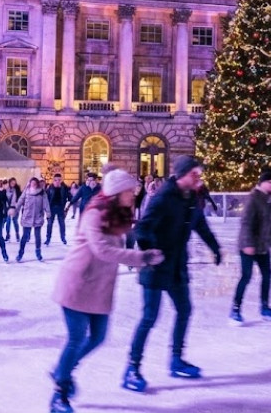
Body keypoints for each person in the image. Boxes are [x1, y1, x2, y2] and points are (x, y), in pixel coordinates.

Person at [49, 170, 163, 413]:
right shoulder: (94, 214)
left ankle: (62, 369)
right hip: (77, 283)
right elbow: (102, 250)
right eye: (129, 190)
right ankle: (59, 393)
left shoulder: (118, 215)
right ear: (116, 192)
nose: (134, 194)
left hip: (99, 287)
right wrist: (141, 258)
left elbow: (128, 238)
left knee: (98, 337)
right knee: (77, 338)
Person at [123, 156, 222, 392]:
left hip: (177, 266)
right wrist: (150, 251)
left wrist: (215, 248)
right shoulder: (163, 197)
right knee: (149, 317)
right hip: (156, 267)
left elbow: (200, 225)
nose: (198, 179)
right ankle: (132, 368)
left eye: (199, 175)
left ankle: (176, 359)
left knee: (185, 310)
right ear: (181, 174)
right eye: (194, 175)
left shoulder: (191, 198)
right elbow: (141, 229)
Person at [230, 168, 271, 325]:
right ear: (263, 182)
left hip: (263, 245)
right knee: (246, 276)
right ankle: (235, 309)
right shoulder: (253, 198)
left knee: (267, 274)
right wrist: (248, 244)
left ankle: (264, 307)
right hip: (248, 245)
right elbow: (245, 222)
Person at [14, 177, 51, 262]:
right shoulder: (26, 191)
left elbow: (46, 203)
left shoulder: (42, 192)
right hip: (27, 216)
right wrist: (15, 209)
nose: (33, 185)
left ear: (37, 184)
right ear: (29, 184)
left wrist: (48, 213)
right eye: (32, 183)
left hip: (38, 217)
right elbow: (20, 201)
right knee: (25, 236)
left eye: (35, 183)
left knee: (37, 236)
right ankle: (20, 253)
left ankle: (38, 252)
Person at [46, 173, 71, 246]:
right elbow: (46, 199)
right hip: (51, 208)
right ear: (53, 180)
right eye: (56, 180)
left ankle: (63, 238)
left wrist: (66, 209)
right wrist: (46, 210)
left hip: (60, 208)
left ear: (61, 180)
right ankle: (48, 239)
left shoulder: (65, 188)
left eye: (59, 180)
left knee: (62, 224)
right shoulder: (50, 188)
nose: (57, 181)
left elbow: (70, 198)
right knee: (50, 224)